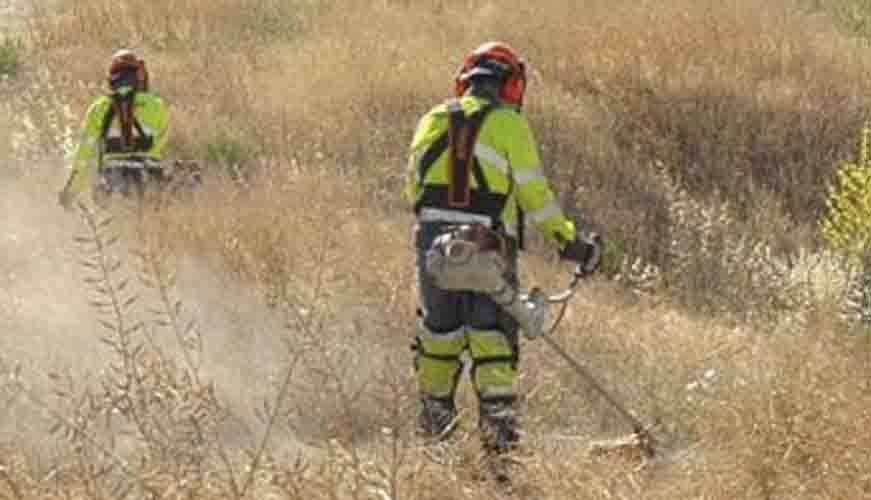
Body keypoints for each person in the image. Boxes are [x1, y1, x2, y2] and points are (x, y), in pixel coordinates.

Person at [403, 41, 603, 462]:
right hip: (488, 245)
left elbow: (412, 190)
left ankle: (434, 443)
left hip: (431, 246)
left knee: (438, 337)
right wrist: (570, 242)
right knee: (492, 342)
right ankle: (499, 455)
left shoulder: (431, 119)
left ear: (467, 80)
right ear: (511, 86)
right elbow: (535, 195)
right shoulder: (509, 124)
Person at [59, 49, 170, 210]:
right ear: (138, 76)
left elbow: (83, 155)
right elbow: (160, 144)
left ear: (112, 79)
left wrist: (71, 191)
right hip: (148, 181)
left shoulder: (98, 108)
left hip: (113, 184)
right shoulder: (157, 106)